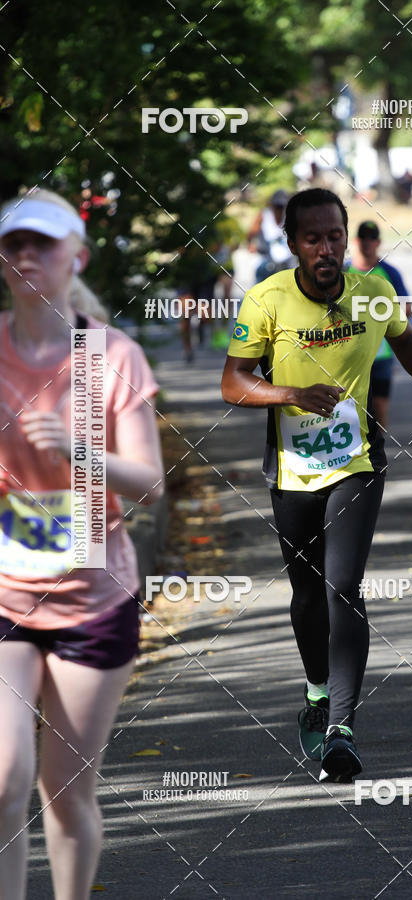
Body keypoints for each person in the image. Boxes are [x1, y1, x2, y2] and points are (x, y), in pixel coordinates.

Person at [221, 188, 412, 782]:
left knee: (342, 588)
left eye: (335, 235)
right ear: (292, 244)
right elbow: (233, 382)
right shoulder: (267, 300)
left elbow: (405, 339)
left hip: (356, 460)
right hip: (291, 468)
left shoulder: (374, 292)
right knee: (306, 595)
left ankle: (341, 728)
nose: (327, 248)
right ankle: (314, 691)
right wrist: (290, 395)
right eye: (313, 238)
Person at [0, 189, 164, 899]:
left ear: (78, 257)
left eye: (43, 242)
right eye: (14, 244)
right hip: (5, 592)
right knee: (2, 778)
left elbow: (149, 482)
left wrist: (77, 450)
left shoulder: (110, 356)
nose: (27, 254)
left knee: (66, 797)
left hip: (93, 599)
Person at [347, 220, 409, 431]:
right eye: (363, 238)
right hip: (349, 353)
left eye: (372, 238)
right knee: (350, 410)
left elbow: (406, 308)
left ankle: (377, 458)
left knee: (379, 409)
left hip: (381, 353)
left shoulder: (390, 273)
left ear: (378, 242)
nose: (367, 243)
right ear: (356, 241)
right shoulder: (343, 271)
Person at [247, 189, 294, 283]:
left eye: (281, 206)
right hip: (267, 255)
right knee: (262, 276)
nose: (279, 209)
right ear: (272, 205)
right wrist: (251, 244)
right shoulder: (264, 215)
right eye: (277, 206)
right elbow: (251, 232)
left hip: (287, 258)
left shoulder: (290, 216)